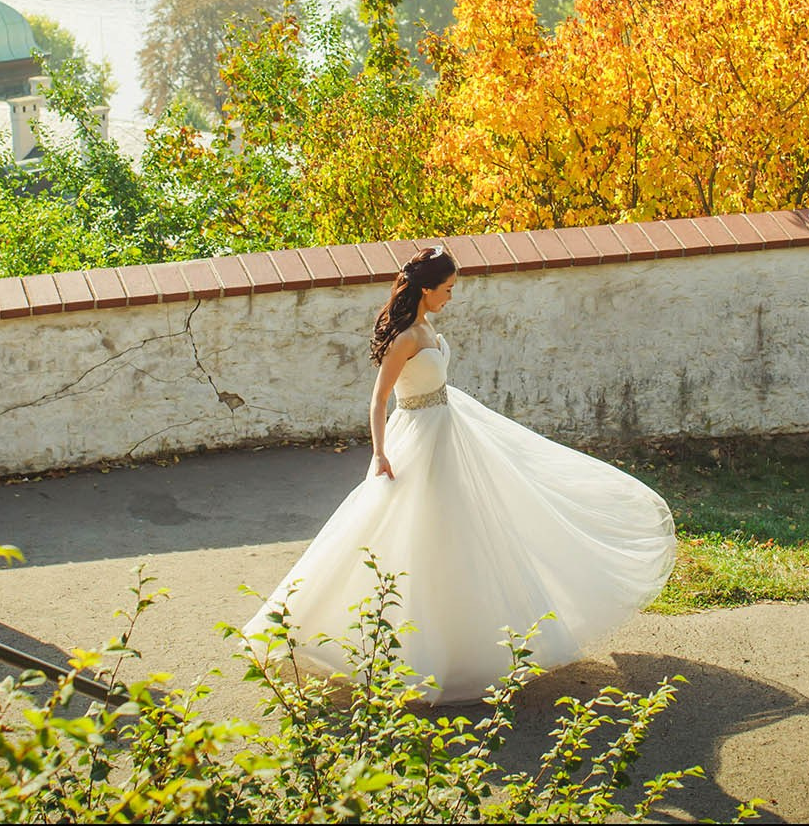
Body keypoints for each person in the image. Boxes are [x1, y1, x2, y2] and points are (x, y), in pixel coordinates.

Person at [244, 246, 677, 703]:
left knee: (463, 535)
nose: (452, 296)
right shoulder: (405, 338)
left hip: (450, 430)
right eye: (447, 289)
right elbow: (378, 400)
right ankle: (324, 628)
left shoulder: (427, 325)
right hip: (418, 438)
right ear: (426, 289)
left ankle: (468, 644)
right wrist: (379, 454)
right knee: (399, 534)